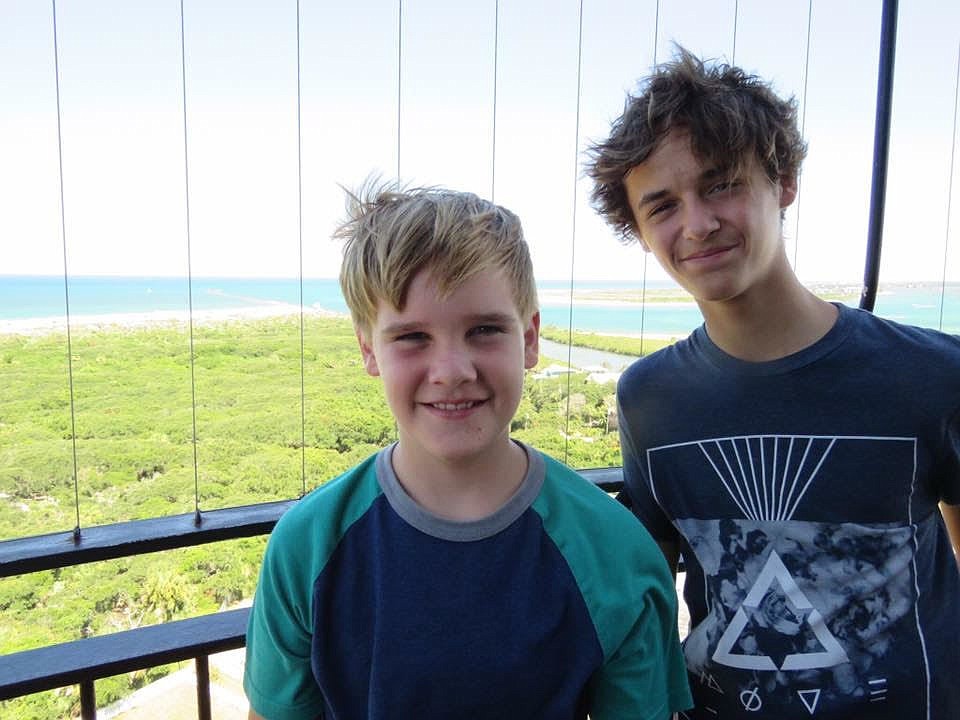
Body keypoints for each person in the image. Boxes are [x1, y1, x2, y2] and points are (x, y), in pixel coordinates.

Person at [585, 47, 960, 719]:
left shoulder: (933, 375)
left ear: (783, 180)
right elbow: (651, 585)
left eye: (721, 183)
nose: (697, 224)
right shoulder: (648, 398)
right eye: (662, 205)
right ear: (638, 230)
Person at [243, 182, 692, 720]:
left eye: (484, 330)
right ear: (369, 350)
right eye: (411, 337)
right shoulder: (305, 550)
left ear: (529, 340)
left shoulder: (617, 555)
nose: (453, 371)